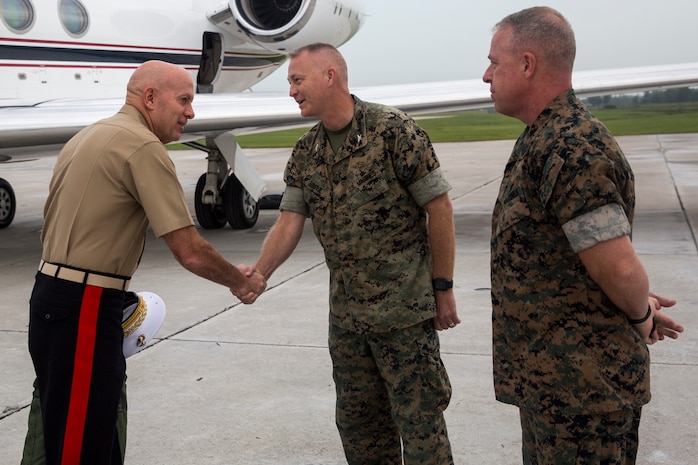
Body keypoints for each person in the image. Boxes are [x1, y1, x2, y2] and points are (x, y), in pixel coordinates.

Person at [23, 60, 266, 465]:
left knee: (80, 432)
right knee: (80, 449)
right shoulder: (142, 147)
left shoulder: (87, 136)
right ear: (150, 98)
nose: (191, 112)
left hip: (51, 297)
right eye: (184, 100)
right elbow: (187, 248)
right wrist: (237, 282)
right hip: (84, 308)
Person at [483, 7, 684, 465]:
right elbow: (582, 255)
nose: (485, 75)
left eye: (495, 62)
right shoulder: (545, 136)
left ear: (528, 65)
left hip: (584, 396)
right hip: (555, 386)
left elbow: (618, 265)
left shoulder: (573, 145)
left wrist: (639, 315)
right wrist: (635, 302)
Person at [245, 43, 460, 464]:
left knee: (421, 430)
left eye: (297, 80)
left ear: (330, 76)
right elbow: (289, 221)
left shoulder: (394, 131)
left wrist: (443, 288)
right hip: (347, 322)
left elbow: (440, 208)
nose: (291, 91)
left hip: (404, 317)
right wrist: (258, 274)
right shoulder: (307, 151)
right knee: (361, 430)